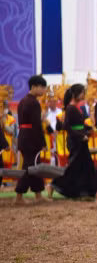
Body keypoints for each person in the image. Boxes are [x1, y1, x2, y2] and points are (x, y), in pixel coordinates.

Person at [49, 84, 96, 199]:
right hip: (76, 142)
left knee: (85, 166)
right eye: (81, 92)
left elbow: (79, 125)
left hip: (81, 140)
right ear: (75, 94)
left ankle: (83, 192)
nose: (83, 95)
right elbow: (67, 126)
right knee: (74, 167)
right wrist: (80, 136)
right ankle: (53, 185)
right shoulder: (70, 108)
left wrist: (89, 129)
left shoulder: (76, 108)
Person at [14, 75, 48, 203]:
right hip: (31, 139)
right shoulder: (34, 103)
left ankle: (38, 195)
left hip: (23, 136)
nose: (44, 90)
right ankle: (19, 195)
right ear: (34, 87)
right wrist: (43, 142)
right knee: (29, 167)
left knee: (35, 165)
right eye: (42, 87)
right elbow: (36, 125)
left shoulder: (22, 101)